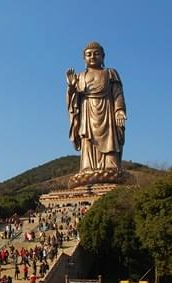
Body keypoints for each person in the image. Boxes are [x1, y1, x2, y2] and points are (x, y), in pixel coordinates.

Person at [66, 41, 127, 182]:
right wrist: (71, 88)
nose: (92, 57)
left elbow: (118, 94)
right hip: (87, 112)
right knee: (87, 141)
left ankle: (110, 167)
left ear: (103, 56)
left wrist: (119, 110)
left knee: (110, 141)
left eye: (96, 53)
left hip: (107, 112)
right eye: (88, 54)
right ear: (84, 58)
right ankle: (88, 168)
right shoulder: (80, 76)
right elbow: (73, 101)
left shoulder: (110, 73)